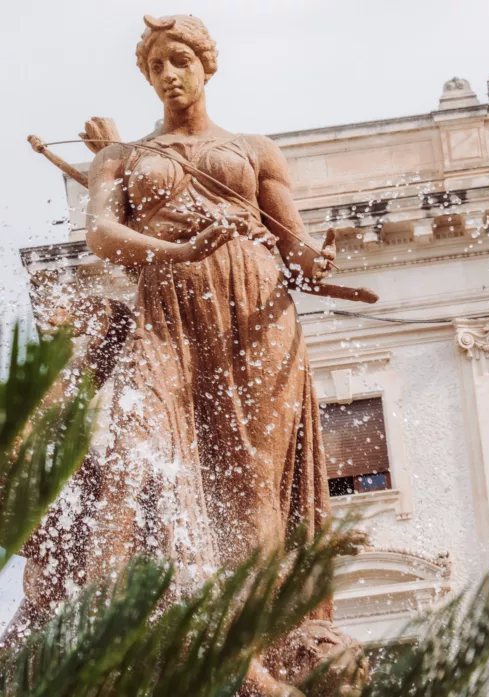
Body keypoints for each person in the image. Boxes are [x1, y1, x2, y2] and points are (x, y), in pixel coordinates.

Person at [80, 15, 361, 695]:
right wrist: (174, 251)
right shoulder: (119, 159)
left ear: (207, 65)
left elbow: (290, 241)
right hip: (167, 311)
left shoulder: (256, 149)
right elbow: (101, 234)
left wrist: (315, 258)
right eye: (156, 67)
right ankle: (139, 614)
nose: (169, 75)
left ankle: (259, 645)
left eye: (180, 60)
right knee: (141, 445)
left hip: (255, 309)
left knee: (253, 479)